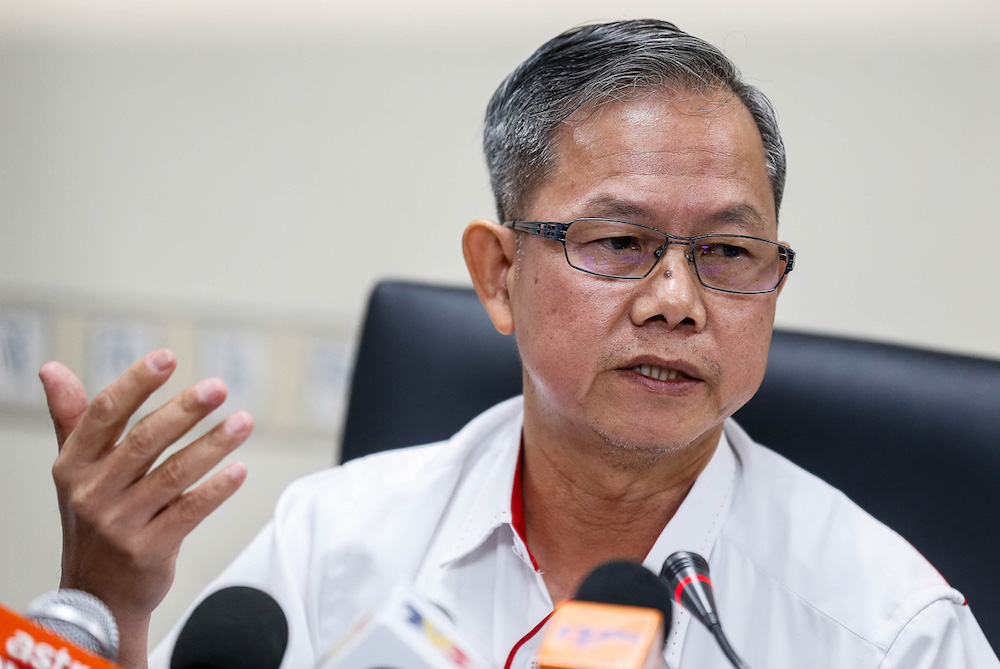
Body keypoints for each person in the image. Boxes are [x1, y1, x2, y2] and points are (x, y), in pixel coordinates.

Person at [38, 19, 998, 669]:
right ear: (500, 275)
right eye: (620, 242)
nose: (677, 300)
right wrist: (110, 605)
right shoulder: (336, 541)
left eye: (728, 252)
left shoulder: (887, 631)